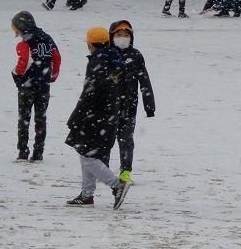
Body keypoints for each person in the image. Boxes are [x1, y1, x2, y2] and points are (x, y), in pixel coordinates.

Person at [65, 26, 130, 209]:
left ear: (90, 45)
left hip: (94, 116)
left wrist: (77, 115)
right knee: (87, 152)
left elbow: (91, 92)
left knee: (87, 155)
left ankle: (117, 185)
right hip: (108, 115)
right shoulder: (113, 59)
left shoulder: (98, 61)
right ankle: (87, 194)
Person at [10, 11, 61, 161]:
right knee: (41, 119)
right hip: (44, 85)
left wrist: (17, 75)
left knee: (24, 119)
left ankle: (23, 152)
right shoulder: (47, 38)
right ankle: (38, 152)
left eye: (17, 31)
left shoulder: (24, 43)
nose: (17, 34)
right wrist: (53, 75)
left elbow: (23, 61)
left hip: (27, 86)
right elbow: (57, 57)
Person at [109, 20, 155, 183]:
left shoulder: (136, 55)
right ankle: (102, 169)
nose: (123, 38)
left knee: (126, 139)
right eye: (119, 35)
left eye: (126, 35)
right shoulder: (106, 54)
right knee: (106, 139)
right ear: (112, 36)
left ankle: (125, 171)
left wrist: (149, 105)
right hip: (107, 106)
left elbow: (144, 81)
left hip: (129, 106)